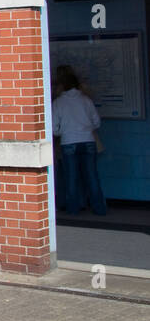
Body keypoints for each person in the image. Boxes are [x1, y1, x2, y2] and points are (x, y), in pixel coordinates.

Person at [52, 65, 106, 216]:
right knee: (92, 176)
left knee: (71, 178)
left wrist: (64, 131)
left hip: (68, 142)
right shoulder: (86, 100)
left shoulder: (58, 103)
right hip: (88, 141)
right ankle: (99, 209)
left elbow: (54, 128)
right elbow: (97, 122)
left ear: (61, 86)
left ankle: (73, 210)